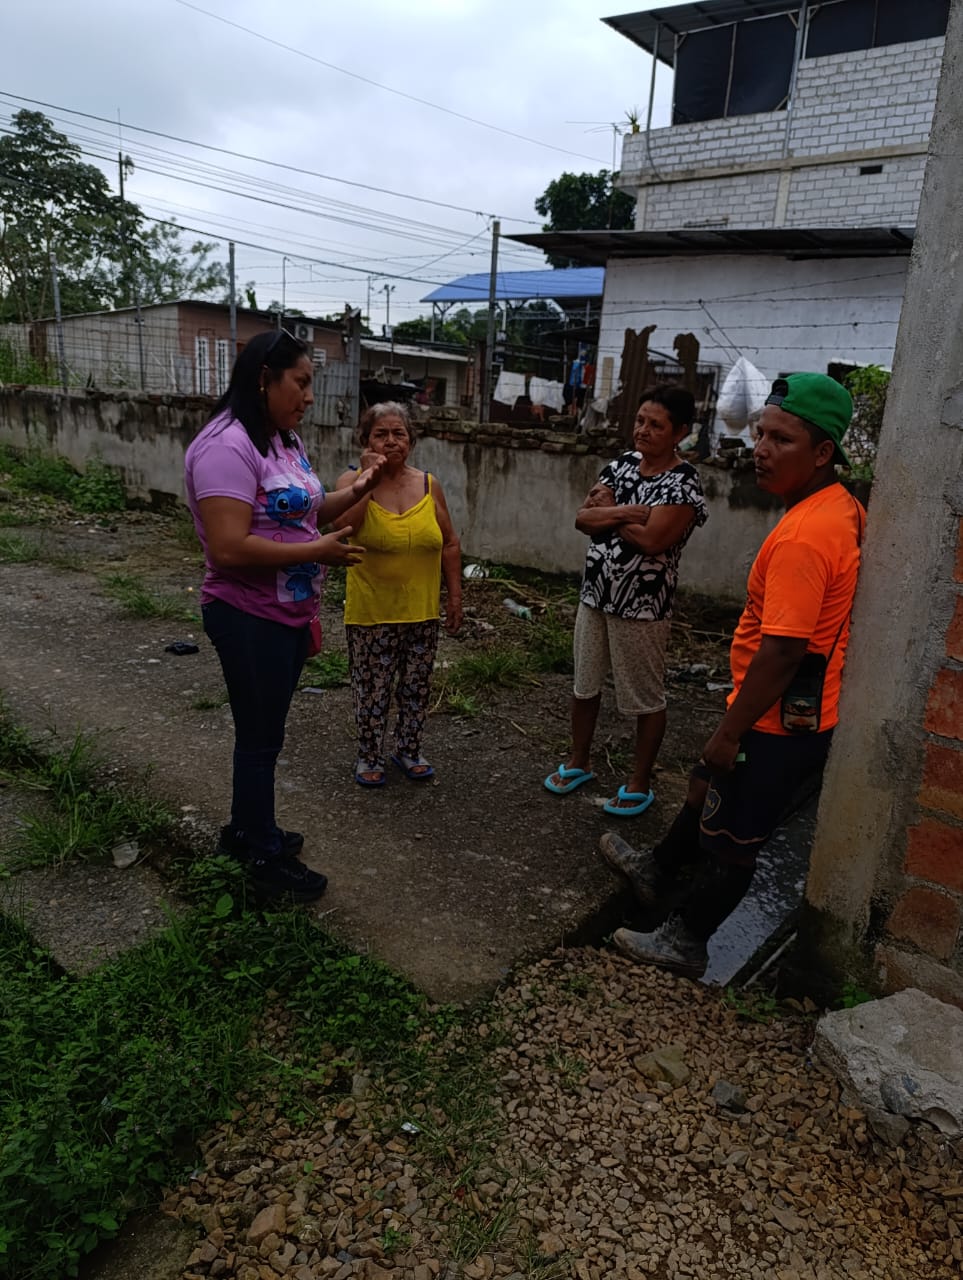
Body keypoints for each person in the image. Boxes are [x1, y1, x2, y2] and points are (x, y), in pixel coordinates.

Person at [600, 372, 865, 978]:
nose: (761, 450)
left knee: (736, 840)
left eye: (781, 440)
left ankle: (687, 940)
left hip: (775, 718)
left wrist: (730, 732)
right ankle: (658, 868)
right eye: (761, 434)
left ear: (822, 452)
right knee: (705, 789)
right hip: (787, 704)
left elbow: (783, 652)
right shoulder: (842, 507)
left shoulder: (804, 535)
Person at [184, 329, 385, 902]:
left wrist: (362, 487)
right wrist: (316, 552)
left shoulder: (281, 438)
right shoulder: (226, 447)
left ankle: (246, 830)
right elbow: (228, 548)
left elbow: (307, 510)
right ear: (263, 380)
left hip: (284, 615)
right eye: (301, 382)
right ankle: (261, 856)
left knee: (264, 734)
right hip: (247, 614)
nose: (309, 396)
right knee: (259, 738)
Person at [544, 385, 708, 815]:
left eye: (656, 425)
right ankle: (579, 761)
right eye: (640, 421)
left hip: (643, 607)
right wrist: (631, 512)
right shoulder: (621, 464)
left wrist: (612, 511)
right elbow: (583, 519)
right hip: (595, 595)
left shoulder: (684, 482)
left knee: (643, 697)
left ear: (680, 432)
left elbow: (654, 541)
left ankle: (639, 781)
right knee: (584, 684)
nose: (643, 431)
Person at [333, 401, 462, 786]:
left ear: (411, 440)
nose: (391, 441)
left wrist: (454, 598)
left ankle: (409, 749)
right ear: (365, 440)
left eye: (399, 433)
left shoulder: (429, 484)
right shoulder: (350, 481)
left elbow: (450, 543)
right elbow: (344, 527)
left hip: (421, 611)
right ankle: (369, 755)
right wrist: (368, 479)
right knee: (373, 689)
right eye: (381, 434)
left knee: (416, 687)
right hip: (373, 611)